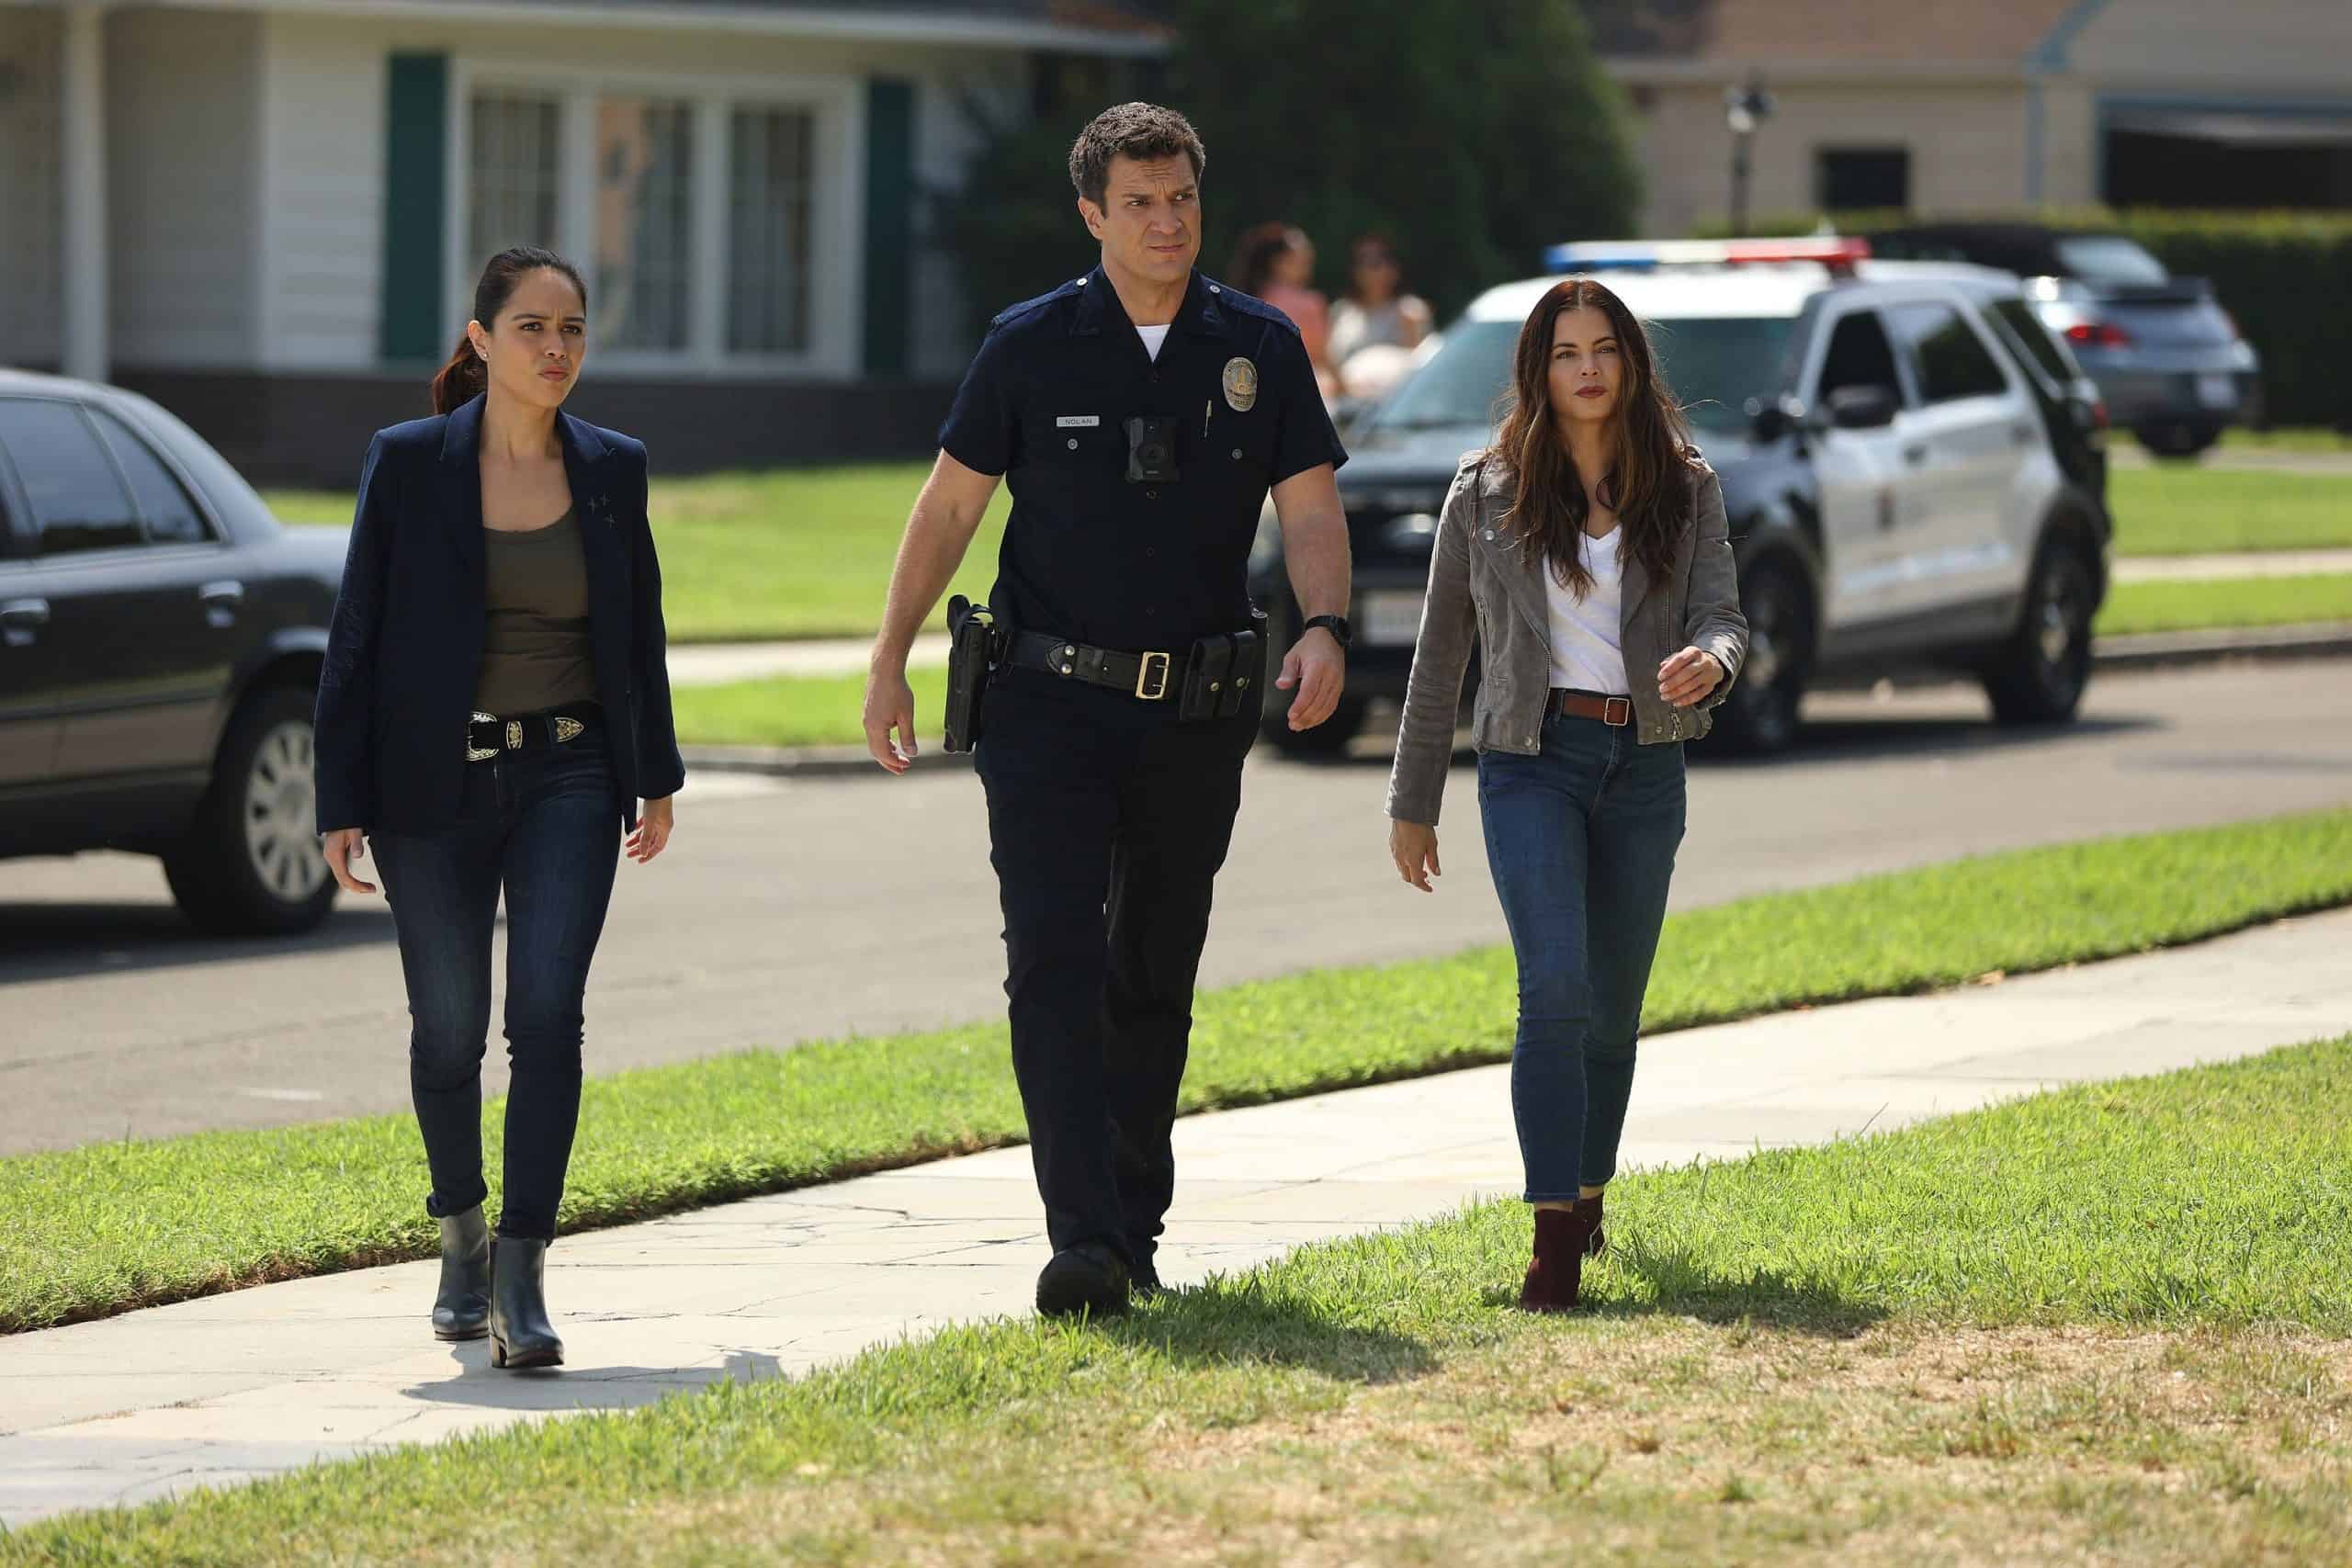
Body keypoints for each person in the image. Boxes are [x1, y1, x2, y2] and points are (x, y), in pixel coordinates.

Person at [862, 103, 1352, 1320]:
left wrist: (1329, 627)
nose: (1166, 221)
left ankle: (1133, 1220)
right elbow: (949, 506)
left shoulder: (1258, 347)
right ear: (1093, 214)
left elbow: (1306, 507)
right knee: (1053, 961)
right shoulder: (1030, 344)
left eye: (1181, 197)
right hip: (1044, 703)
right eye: (1139, 201)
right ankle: (1079, 1233)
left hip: (1193, 709)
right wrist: (889, 656)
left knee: (1153, 969)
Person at [313, 245, 684, 1369]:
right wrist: (341, 796)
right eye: (532, 328)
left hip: (569, 773)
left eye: (572, 328)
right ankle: (462, 1234)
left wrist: (655, 771)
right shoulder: (410, 462)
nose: (556, 349)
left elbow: (640, 627)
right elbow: (357, 632)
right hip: (430, 783)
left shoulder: (613, 467)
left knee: (547, 1018)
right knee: (448, 1028)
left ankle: (523, 1270)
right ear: (481, 341)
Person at [1383, 277, 1747, 1313]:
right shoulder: (1484, 488)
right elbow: (1438, 654)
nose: (1586, 369)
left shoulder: (1685, 483)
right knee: (1553, 988)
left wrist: (1710, 664)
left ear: (1630, 364)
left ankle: (1589, 1196)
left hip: (1647, 766)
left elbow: (1724, 614)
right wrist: (1412, 801)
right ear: (1537, 371)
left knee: (1613, 1014)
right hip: (1528, 762)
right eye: (1563, 352)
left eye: (1603, 350)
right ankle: (1550, 1239)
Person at [1228, 221, 1340, 400]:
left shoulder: (1242, 301)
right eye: (1305, 261)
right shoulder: (1310, 303)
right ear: (1279, 262)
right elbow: (1322, 359)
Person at [1328, 233, 1434, 401]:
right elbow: (1330, 363)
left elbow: (1424, 367)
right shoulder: (1341, 312)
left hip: (1393, 405)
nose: (1371, 269)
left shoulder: (1411, 310)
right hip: (1347, 406)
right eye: (1362, 261)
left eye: (1378, 261)